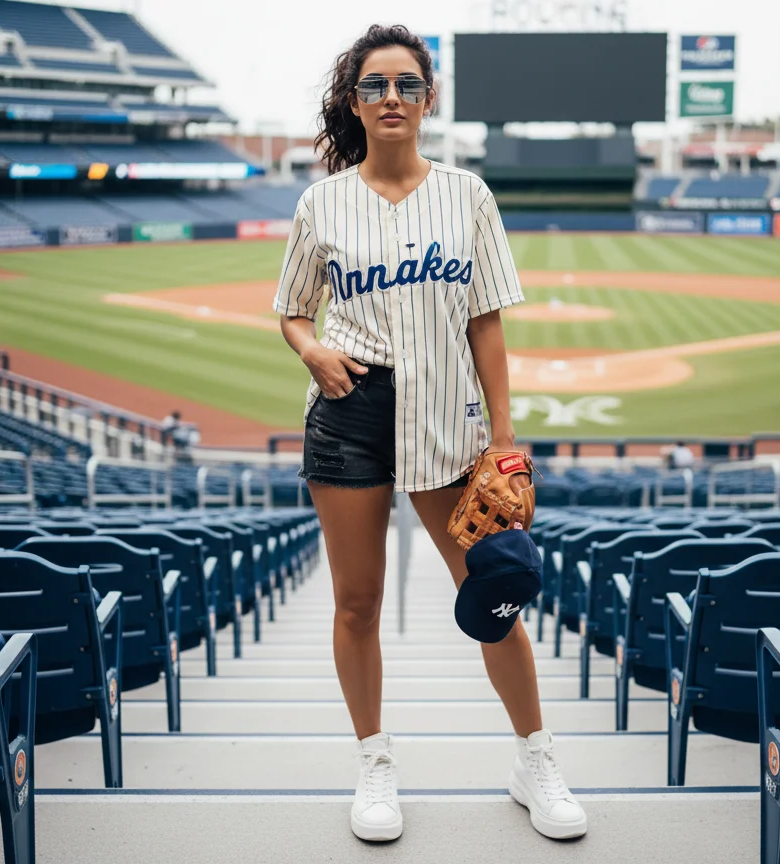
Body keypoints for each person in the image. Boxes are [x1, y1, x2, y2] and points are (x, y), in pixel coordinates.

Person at [272, 25, 586, 844]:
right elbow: (292, 310)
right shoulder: (322, 202)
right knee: (355, 602)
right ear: (354, 100)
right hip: (351, 415)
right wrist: (312, 349)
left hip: (450, 419)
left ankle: (535, 758)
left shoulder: (468, 195)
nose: (391, 100)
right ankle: (374, 761)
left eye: (406, 85)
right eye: (374, 86)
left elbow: (485, 322)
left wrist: (506, 440)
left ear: (428, 98)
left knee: (493, 594)